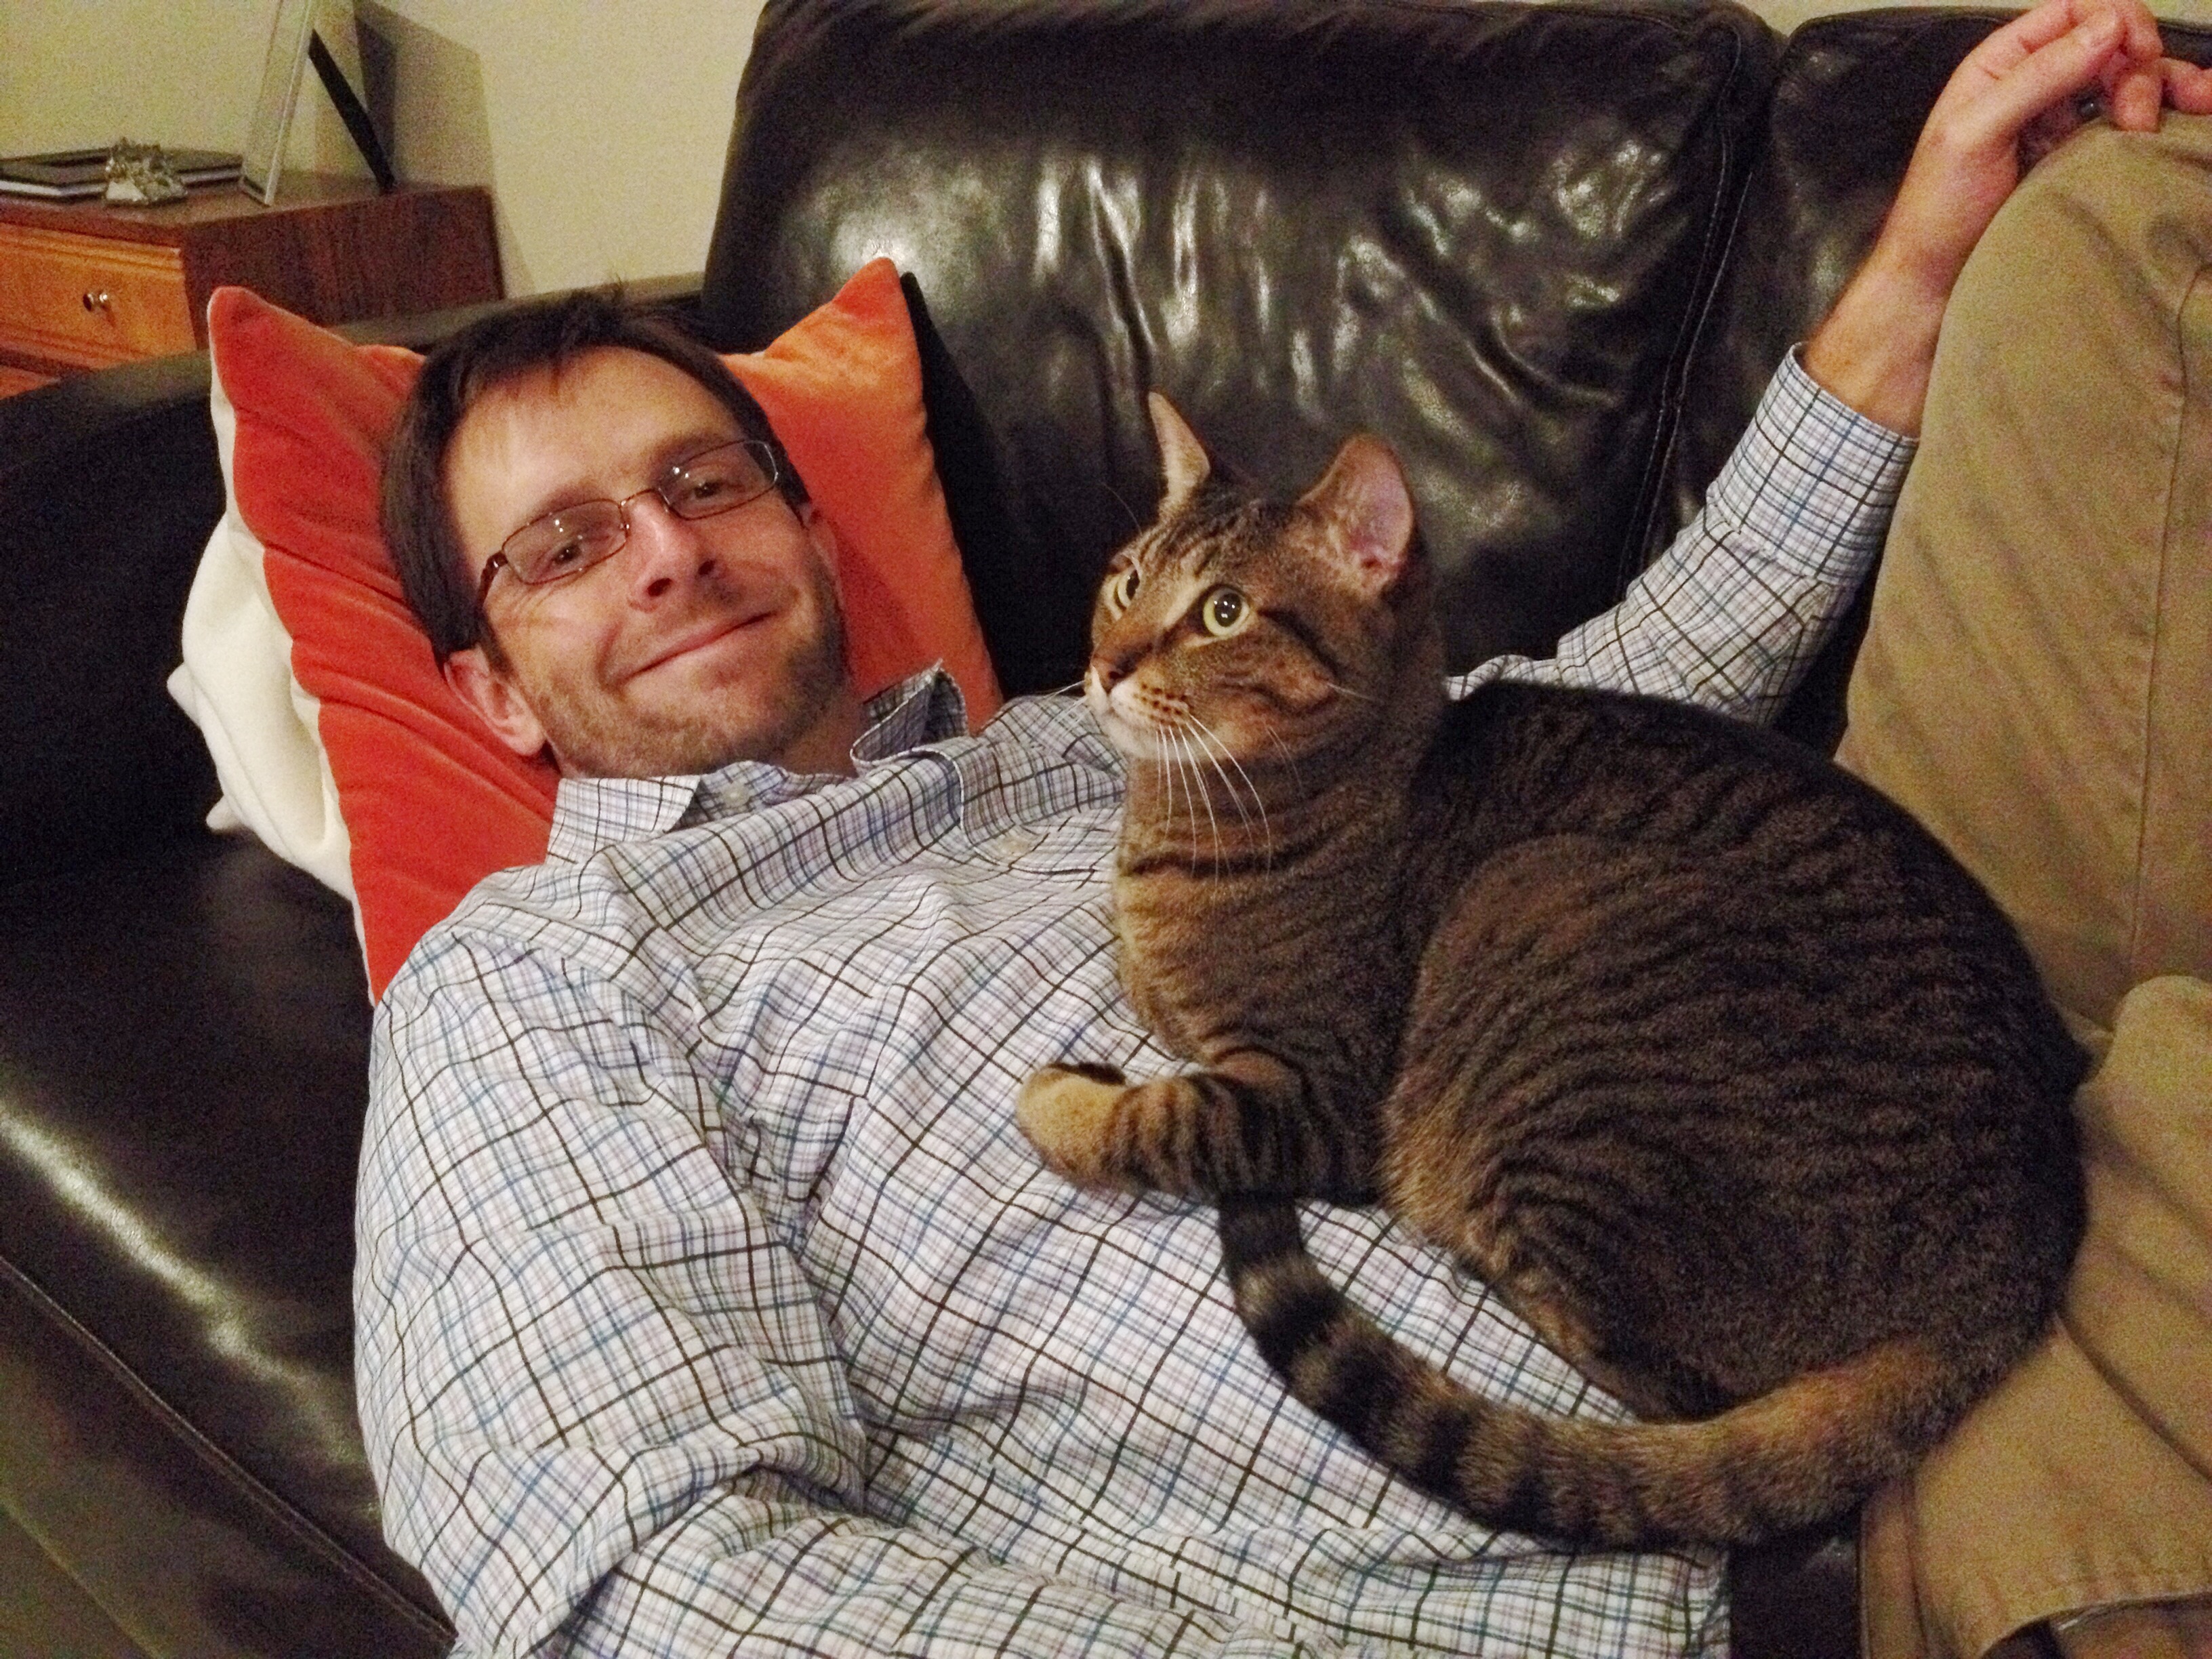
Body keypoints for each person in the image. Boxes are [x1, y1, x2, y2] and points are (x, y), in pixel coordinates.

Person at [353, 4, 2212, 1653]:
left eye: (705, 480)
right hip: (1578, 1529)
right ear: (491, 694)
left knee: (2116, 230)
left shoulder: (1090, 741)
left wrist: (1912, 274)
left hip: (1844, 1164)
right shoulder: (535, 979)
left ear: (807, 523)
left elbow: (1614, 693)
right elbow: (665, 1586)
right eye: (567, 547)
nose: (669, 551)